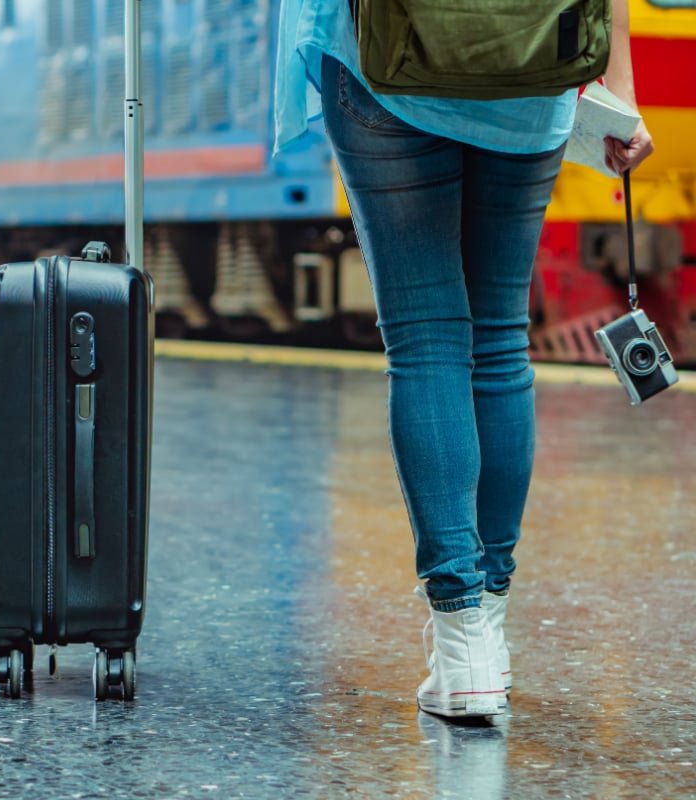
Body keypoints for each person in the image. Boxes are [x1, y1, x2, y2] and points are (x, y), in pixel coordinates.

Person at [274, 0, 654, 717]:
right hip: (529, 71)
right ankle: (491, 630)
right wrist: (621, 85)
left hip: (385, 68)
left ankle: (463, 642)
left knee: (427, 339)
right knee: (500, 339)